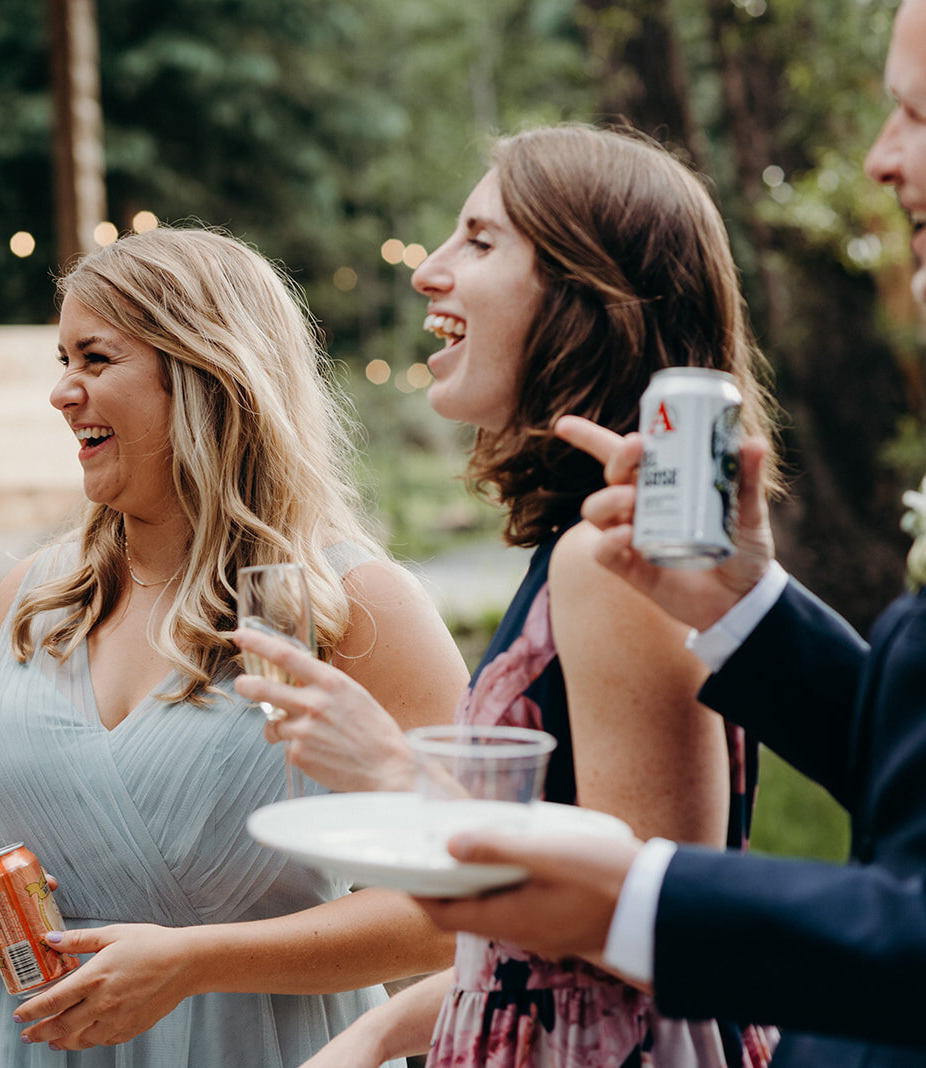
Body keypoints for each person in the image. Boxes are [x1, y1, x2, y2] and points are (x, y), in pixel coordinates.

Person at [408, 8, 926, 1058]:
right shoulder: (613, 554)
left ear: (581, 294)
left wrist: (636, 893)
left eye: (915, 112)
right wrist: (751, 609)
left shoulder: (596, 567)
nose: (879, 157)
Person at [234, 124, 783, 1068]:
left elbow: (657, 928)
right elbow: (547, 941)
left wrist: (392, 771)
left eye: (480, 242)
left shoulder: (609, 565)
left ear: (585, 295)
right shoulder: (592, 545)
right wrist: (374, 1031)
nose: (429, 272)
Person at [0, 225, 470, 1066]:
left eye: (94, 359)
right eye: (62, 362)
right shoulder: (29, 599)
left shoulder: (351, 607)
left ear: (206, 374)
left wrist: (196, 965)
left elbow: (462, 912)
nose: (62, 392)